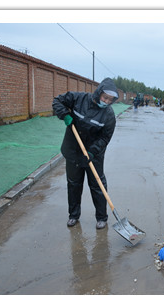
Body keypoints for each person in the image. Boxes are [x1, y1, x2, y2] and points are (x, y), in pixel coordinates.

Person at [51, 77, 119, 230]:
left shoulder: (108, 115)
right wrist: (64, 114)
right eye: (105, 97)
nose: (107, 101)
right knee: (74, 184)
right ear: (99, 92)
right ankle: (73, 215)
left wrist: (92, 152)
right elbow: (57, 101)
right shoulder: (78, 98)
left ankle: (102, 217)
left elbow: (105, 137)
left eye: (110, 99)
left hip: (93, 154)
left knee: (97, 185)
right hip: (73, 150)